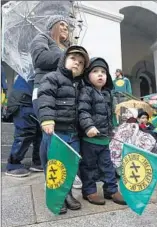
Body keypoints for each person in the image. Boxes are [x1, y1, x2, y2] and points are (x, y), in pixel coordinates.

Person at [30, 15, 82, 188]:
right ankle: (50, 174)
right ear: (52, 26)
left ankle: (68, 170)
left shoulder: (68, 47)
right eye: (61, 24)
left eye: (67, 26)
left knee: (67, 132)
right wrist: (67, 58)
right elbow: (40, 59)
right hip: (44, 90)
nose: (65, 28)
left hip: (65, 93)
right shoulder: (42, 38)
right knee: (49, 133)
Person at [37, 45, 89, 214]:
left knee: (69, 166)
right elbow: (45, 98)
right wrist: (46, 119)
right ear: (64, 59)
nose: (77, 63)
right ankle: (55, 197)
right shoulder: (52, 77)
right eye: (73, 59)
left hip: (73, 133)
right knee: (54, 165)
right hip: (55, 132)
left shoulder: (81, 85)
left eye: (81, 62)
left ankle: (67, 194)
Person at [78, 58, 126, 206]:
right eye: (95, 71)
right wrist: (88, 126)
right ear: (88, 75)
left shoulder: (107, 94)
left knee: (108, 166)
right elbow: (83, 111)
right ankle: (89, 191)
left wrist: (113, 130)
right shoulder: (86, 91)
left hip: (104, 139)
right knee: (89, 167)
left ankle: (111, 190)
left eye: (103, 72)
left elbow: (110, 116)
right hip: (89, 140)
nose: (100, 75)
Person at [5, 75, 43, 177]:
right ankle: (13, 164)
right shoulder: (29, 67)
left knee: (40, 133)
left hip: (33, 100)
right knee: (25, 133)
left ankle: (38, 161)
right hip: (24, 100)